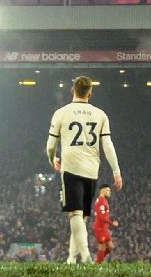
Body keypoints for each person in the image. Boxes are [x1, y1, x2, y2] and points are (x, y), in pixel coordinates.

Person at [47, 75, 122, 263]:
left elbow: (50, 145)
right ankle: (72, 258)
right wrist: (116, 171)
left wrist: (52, 159)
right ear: (90, 92)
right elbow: (108, 145)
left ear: (72, 90)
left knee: (75, 214)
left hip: (71, 167)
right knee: (82, 217)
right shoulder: (100, 114)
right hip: (91, 169)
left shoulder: (61, 113)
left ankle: (86, 255)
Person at [92, 183, 117, 263]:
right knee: (102, 247)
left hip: (104, 228)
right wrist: (112, 223)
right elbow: (101, 216)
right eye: (108, 190)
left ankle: (98, 262)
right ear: (103, 190)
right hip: (100, 228)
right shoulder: (101, 201)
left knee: (110, 247)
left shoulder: (103, 200)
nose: (110, 192)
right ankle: (98, 264)